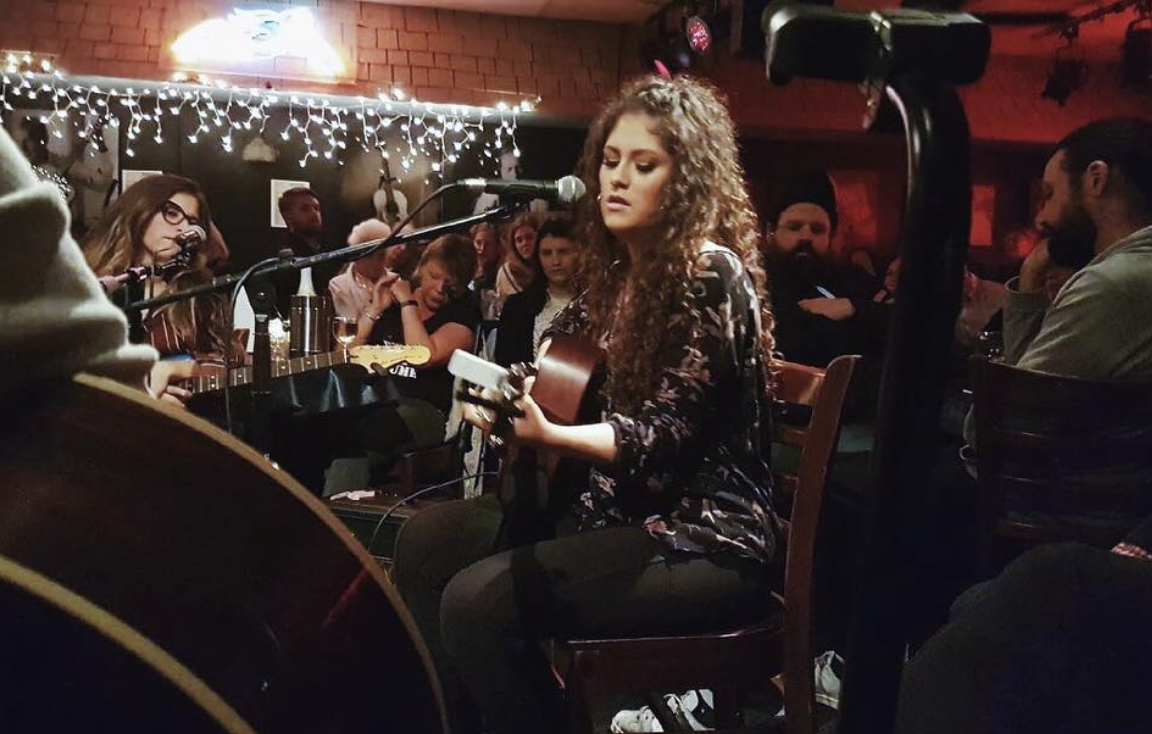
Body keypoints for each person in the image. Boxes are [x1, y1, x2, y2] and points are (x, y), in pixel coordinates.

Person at [392, 74, 780, 734]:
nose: (617, 179)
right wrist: (503, 393)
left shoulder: (711, 273)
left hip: (704, 538)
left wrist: (554, 437)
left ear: (688, 180)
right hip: (609, 511)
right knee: (423, 542)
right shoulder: (613, 281)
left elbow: (667, 436)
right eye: (610, 160)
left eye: (644, 164)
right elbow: (553, 375)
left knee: (476, 604)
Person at [0, 126, 153, 395]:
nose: (29, 147)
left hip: (62, 245)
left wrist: (97, 146)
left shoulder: (57, 167)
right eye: (25, 142)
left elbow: (101, 180)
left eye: (33, 141)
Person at [322, 234, 480, 494]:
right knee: (323, 427)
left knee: (366, 434)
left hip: (423, 412)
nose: (440, 289)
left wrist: (408, 303)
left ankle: (337, 518)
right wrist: (375, 308)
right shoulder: (391, 303)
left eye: (451, 284)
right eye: (433, 276)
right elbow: (345, 354)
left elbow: (424, 356)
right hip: (375, 401)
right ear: (422, 267)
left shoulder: (461, 313)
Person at [999, 117, 1152, 379]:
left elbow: (1013, 411)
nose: (1040, 219)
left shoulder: (1111, 284)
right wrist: (1031, 274)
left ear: (1096, 179)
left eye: (1049, 195)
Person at [81, 174, 231, 402]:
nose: (182, 228)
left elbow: (230, 361)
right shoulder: (89, 282)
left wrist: (179, 369)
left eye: (191, 222)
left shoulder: (199, 292)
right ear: (140, 210)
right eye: (171, 213)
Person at [762, 171, 884, 370]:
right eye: (794, 227)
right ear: (771, 233)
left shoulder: (852, 281)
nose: (806, 237)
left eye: (817, 229)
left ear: (831, 236)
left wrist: (853, 308)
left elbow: (901, 320)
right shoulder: (753, 283)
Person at [493, 216, 581, 367]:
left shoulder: (596, 303)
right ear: (538, 258)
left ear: (578, 254)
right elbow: (506, 365)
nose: (555, 261)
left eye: (563, 251)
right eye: (547, 253)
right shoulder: (516, 307)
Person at [493, 212, 538, 298]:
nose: (524, 243)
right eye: (519, 240)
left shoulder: (546, 266)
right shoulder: (507, 272)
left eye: (529, 237)